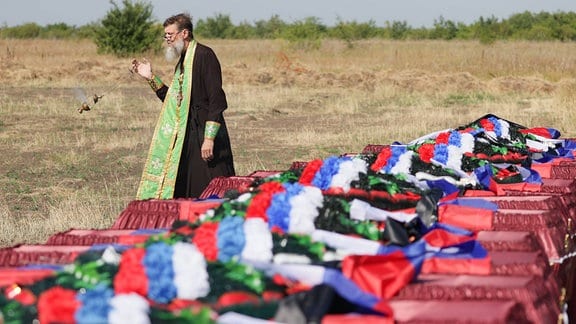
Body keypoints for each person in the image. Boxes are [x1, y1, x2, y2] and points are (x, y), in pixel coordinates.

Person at [132, 13, 235, 200]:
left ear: (184, 33)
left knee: (213, 187)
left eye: (170, 35)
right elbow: (174, 102)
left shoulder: (205, 55)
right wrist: (149, 77)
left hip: (205, 131)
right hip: (186, 135)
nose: (167, 40)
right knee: (185, 186)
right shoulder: (182, 62)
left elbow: (217, 100)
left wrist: (209, 138)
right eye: (165, 36)